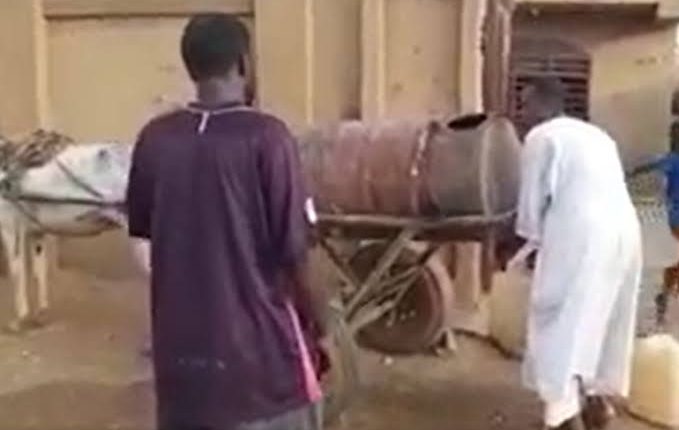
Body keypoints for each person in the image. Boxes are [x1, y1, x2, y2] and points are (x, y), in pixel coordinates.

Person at [126, 14, 326, 430]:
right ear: (243, 63)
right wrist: (320, 326)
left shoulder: (154, 139)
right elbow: (295, 254)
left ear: (190, 67)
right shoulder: (268, 138)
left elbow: (143, 239)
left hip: (182, 373)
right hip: (261, 372)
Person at [510, 76, 642, 430]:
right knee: (603, 315)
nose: (522, 112)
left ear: (543, 105)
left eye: (526, 104)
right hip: (625, 231)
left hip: (581, 234)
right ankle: (599, 404)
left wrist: (524, 246)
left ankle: (563, 417)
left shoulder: (541, 137)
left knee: (560, 321)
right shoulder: (597, 135)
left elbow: (531, 206)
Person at [627, 122, 679, 324]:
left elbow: (643, 168)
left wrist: (631, 173)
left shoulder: (669, 160)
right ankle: (666, 293)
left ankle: (665, 294)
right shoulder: (671, 160)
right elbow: (644, 169)